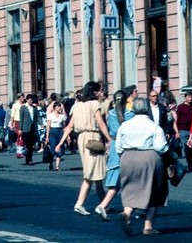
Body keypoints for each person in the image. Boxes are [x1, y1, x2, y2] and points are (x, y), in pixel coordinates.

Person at [115, 97, 169, 236]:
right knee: (153, 189)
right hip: (148, 157)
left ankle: (126, 213)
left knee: (131, 188)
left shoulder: (124, 126)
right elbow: (160, 146)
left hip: (127, 157)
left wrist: (125, 157)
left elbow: (118, 147)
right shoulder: (153, 126)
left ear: (133, 109)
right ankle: (148, 226)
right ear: (146, 109)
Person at [62, 81, 110, 216]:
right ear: (94, 92)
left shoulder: (77, 106)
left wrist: (61, 142)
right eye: (99, 91)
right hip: (93, 137)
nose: (101, 93)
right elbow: (100, 123)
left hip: (81, 138)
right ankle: (80, 203)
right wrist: (109, 139)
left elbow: (70, 126)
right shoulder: (95, 104)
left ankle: (104, 203)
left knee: (96, 171)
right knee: (91, 172)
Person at [94, 90, 132, 220]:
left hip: (114, 144)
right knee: (129, 178)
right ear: (126, 100)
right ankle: (107, 205)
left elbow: (109, 128)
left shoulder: (110, 113)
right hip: (126, 146)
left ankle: (129, 206)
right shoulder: (130, 114)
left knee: (117, 177)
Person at [174, 91, 192, 170]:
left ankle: (191, 159)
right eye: (188, 97)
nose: (190, 99)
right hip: (183, 129)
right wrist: (177, 131)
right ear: (185, 97)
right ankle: (190, 163)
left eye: (191, 97)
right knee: (186, 148)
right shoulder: (180, 107)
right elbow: (178, 120)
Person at [46, 94, 68, 171]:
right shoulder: (50, 116)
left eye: (60, 106)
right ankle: (51, 162)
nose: (60, 108)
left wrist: (66, 135)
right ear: (55, 107)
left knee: (59, 148)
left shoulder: (62, 116)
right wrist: (47, 137)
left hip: (60, 132)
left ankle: (57, 166)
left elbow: (64, 127)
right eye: (58, 106)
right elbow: (48, 126)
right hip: (53, 132)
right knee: (53, 148)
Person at [19, 94, 40, 165]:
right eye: (30, 100)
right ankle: (28, 159)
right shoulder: (23, 108)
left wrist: (41, 123)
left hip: (32, 128)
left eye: (32, 100)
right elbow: (21, 119)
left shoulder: (34, 108)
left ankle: (29, 159)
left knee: (30, 145)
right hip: (25, 129)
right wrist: (20, 128)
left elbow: (38, 116)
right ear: (27, 100)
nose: (31, 101)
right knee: (27, 144)